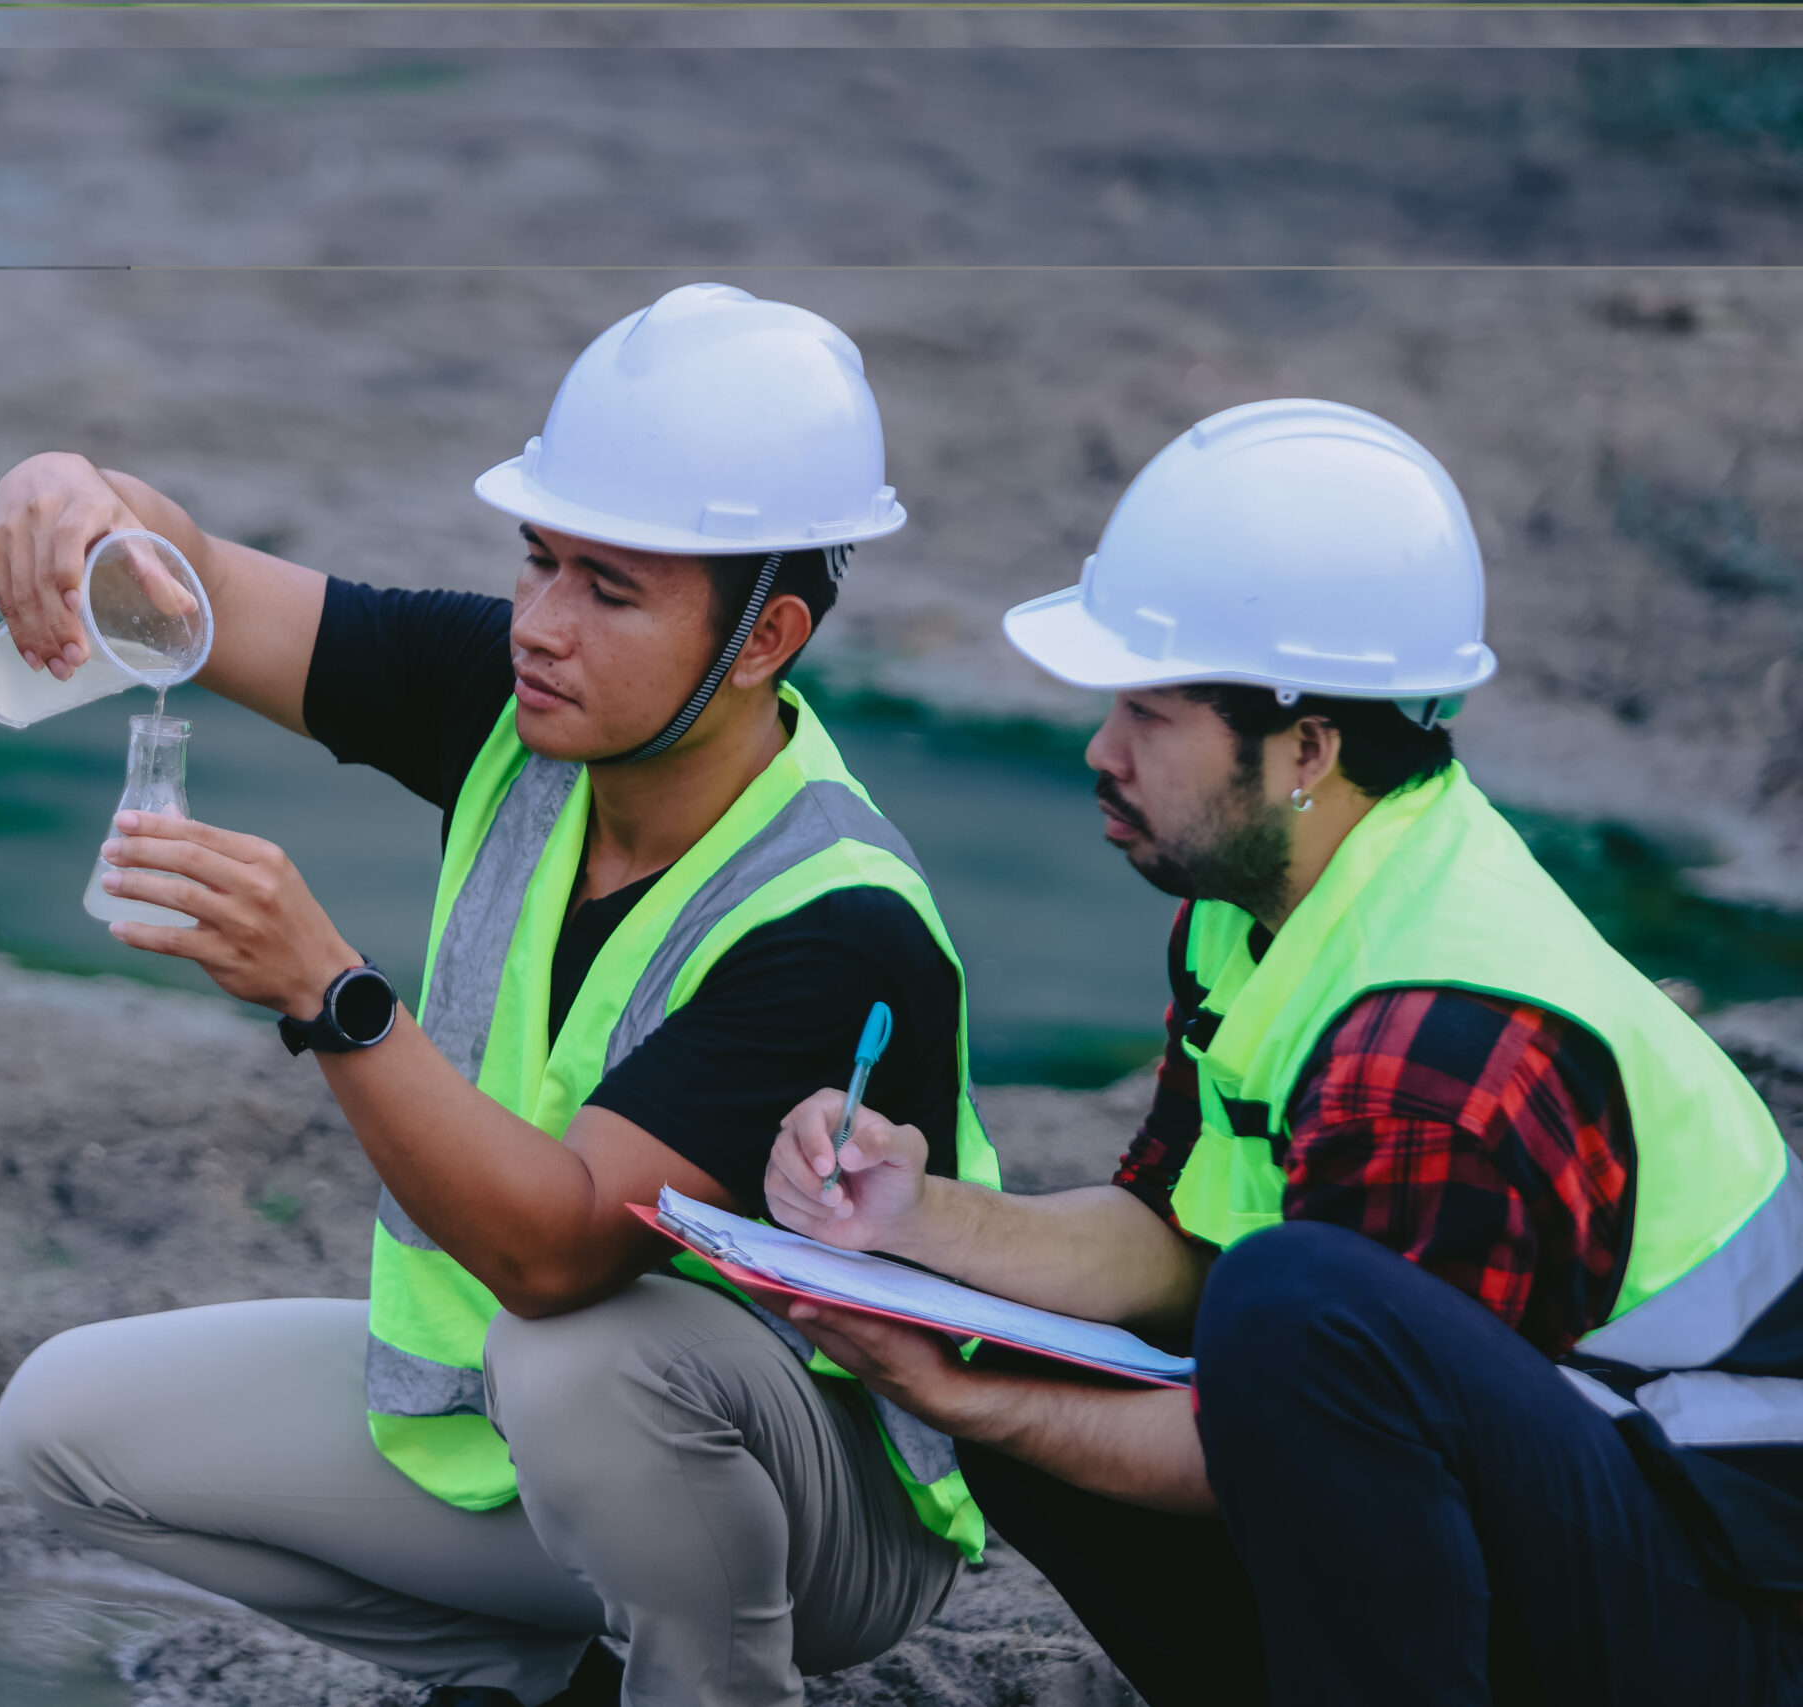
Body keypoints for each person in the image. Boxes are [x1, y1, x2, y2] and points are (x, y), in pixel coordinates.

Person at [0, 284, 1004, 1707]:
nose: (541, 623)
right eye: (538, 562)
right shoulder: (519, 709)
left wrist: (331, 996)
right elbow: (189, 582)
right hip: (544, 1434)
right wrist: (72, 493)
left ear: (764, 638)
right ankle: (547, 1680)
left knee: (588, 1359)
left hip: (823, 1513)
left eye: (609, 589)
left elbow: (560, 1255)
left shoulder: (834, 920)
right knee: (68, 1428)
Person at [761, 398, 1803, 1707]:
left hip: (1732, 1603)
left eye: (1149, 715)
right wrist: (923, 1226)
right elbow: (1180, 1241)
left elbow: (1328, 1431)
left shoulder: (1440, 1049)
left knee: (1261, 1314)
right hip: (1596, 1508)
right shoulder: (1262, 905)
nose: (1099, 750)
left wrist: (968, 1408)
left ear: (1307, 748)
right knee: (1037, 1337)